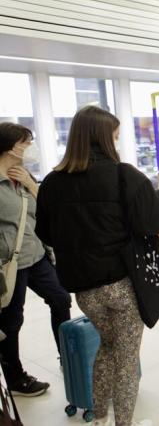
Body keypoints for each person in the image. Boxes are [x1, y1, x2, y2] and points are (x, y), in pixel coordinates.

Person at [36, 106, 159, 426]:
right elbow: (157, 220)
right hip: (123, 287)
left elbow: (45, 232)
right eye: (115, 135)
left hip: (85, 291)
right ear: (104, 138)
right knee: (126, 360)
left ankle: (99, 418)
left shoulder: (52, 183)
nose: (117, 141)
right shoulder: (124, 175)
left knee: (107, 349)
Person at [0, 123, 71, 398]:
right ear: (11, 147)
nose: (32, 146)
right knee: (11, 321)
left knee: (61, 299)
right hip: (10, 263)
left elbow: (46, 211)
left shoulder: (23, 175)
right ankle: (15, 378)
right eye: (27, 141)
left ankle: (67, 357)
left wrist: (31, 185)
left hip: (37, 255)